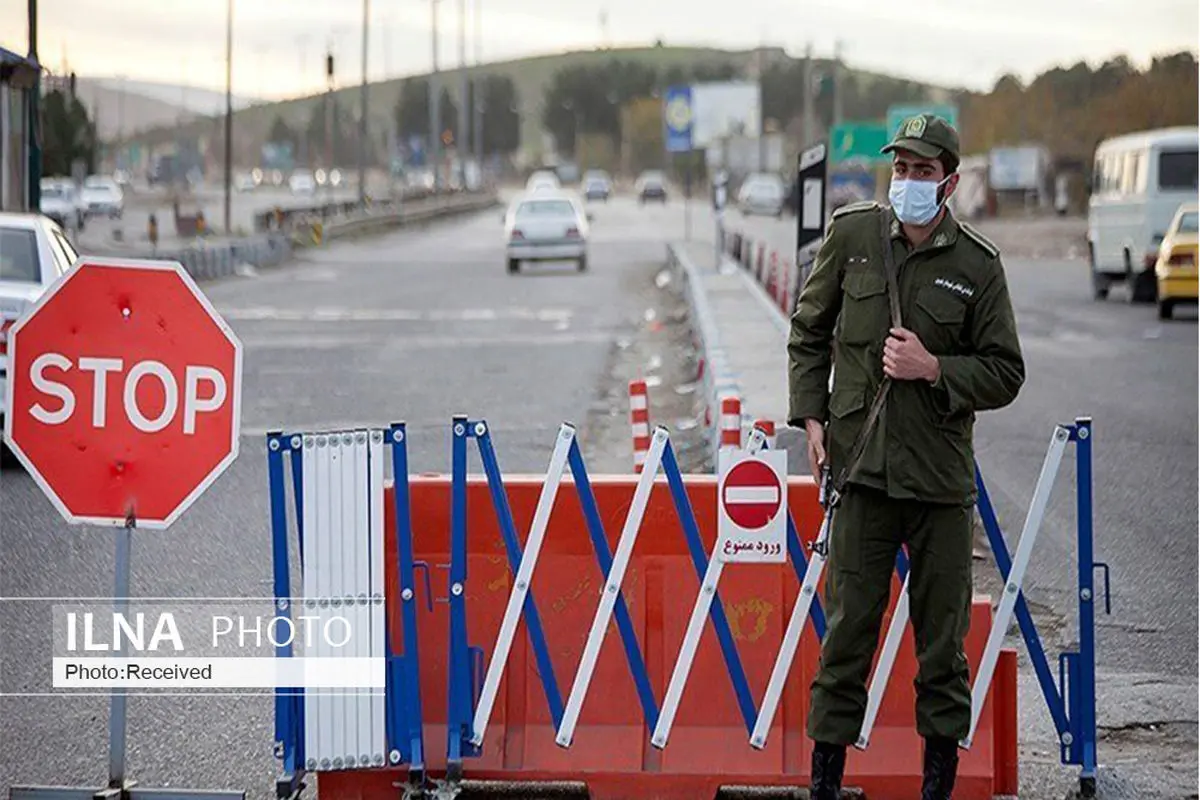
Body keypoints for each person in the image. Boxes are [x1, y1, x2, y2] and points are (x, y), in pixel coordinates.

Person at [786, 114, 1025, 799]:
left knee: (942, 656)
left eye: (923, 172)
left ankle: (936, 790)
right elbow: (808, 331)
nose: (909, 182)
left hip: (940, 488)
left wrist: (935, 367)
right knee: (843, 647)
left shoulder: (978, 266)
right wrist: (811, 416)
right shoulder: (854, 234)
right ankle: (825, 789)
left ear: (948, 182)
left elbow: (1006, 372)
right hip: (861, 474)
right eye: (901, 169)